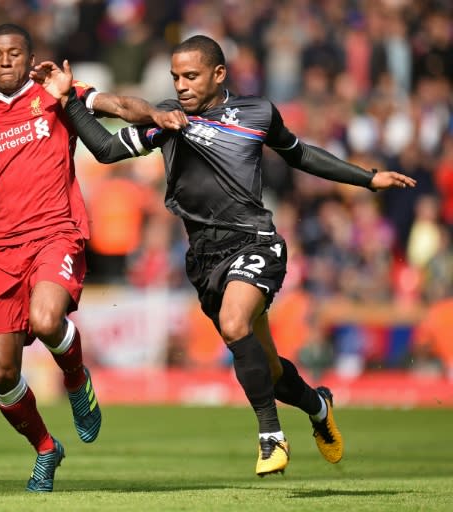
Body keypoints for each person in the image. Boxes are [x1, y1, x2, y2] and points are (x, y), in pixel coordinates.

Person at [36, 35, 417, 477]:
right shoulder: (167, 120)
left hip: (255, 242)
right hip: (204, 259)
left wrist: (367, 179)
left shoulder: (257, 112)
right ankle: (317, 406)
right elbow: (105, 150)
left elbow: (300, 154)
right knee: (269, 370)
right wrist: (69, 103)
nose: (181, 85)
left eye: (191, 76)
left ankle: (271, 437)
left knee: (236, 324)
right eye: (176, 76)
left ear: (219, 74)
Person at [0, 23, 175, 492]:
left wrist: (158, 117)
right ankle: (45, 447)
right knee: (1, 375)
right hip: (1, 252)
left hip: (54, 235)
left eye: (14, 53)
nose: (6, 61)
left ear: (28, 57)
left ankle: (77, 380)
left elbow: (118, 106)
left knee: (46, 321)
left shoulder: (55, 92)